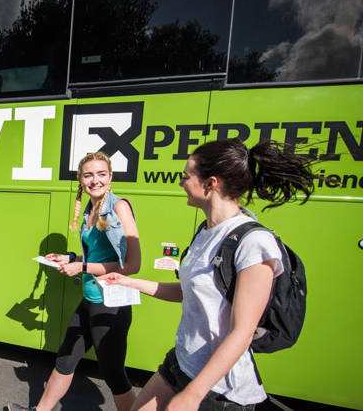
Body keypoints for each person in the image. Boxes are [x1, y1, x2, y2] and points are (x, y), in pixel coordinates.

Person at [98, 138, 314, 410]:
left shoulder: (253, 243)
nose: (181, 183)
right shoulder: (206, 231)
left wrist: (192, 395)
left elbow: (242, 333)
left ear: (211, 184)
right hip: (180, 362)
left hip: (218, 389)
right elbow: (189, 292)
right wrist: (129, 282)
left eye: (186, 176)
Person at [9, 151, 141, 411]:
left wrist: (80, 267)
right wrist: (69, 256)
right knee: (65, 360)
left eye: (101, 174)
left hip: (110, 304)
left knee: (114, 375)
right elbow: (100, 254)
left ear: (110, 176)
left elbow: (132, 265)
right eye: (89, 175)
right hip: (90, 299)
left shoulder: (118, 207)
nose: (95, 180)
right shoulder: (91, 209)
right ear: (81, 179)